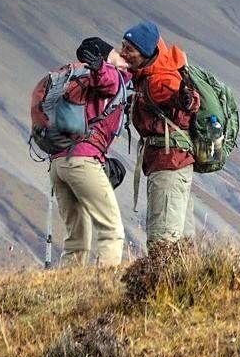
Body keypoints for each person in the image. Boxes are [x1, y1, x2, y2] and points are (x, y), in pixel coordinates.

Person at [48, 37, 129, 266]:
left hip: (57, 163)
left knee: (76, 239)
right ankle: (103, 290)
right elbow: (109, 81)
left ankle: (67, 292)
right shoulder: (111, 74)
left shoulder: (72, 79)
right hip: (82, 160)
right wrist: (103, 66)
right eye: (117, 54)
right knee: (111, 229)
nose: (123, 59)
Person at [119, 20, 200, 247]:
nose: (123, 53)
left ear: (145, 52)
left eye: (129, 49)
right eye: (123, 45)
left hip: (169, 165)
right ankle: (187, 280)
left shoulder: (161, 80)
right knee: (182, 244)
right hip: (172, 164)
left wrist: (184, 99)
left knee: (162, 242)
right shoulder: (147, 75)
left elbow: (188, 101)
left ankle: (163, 282)